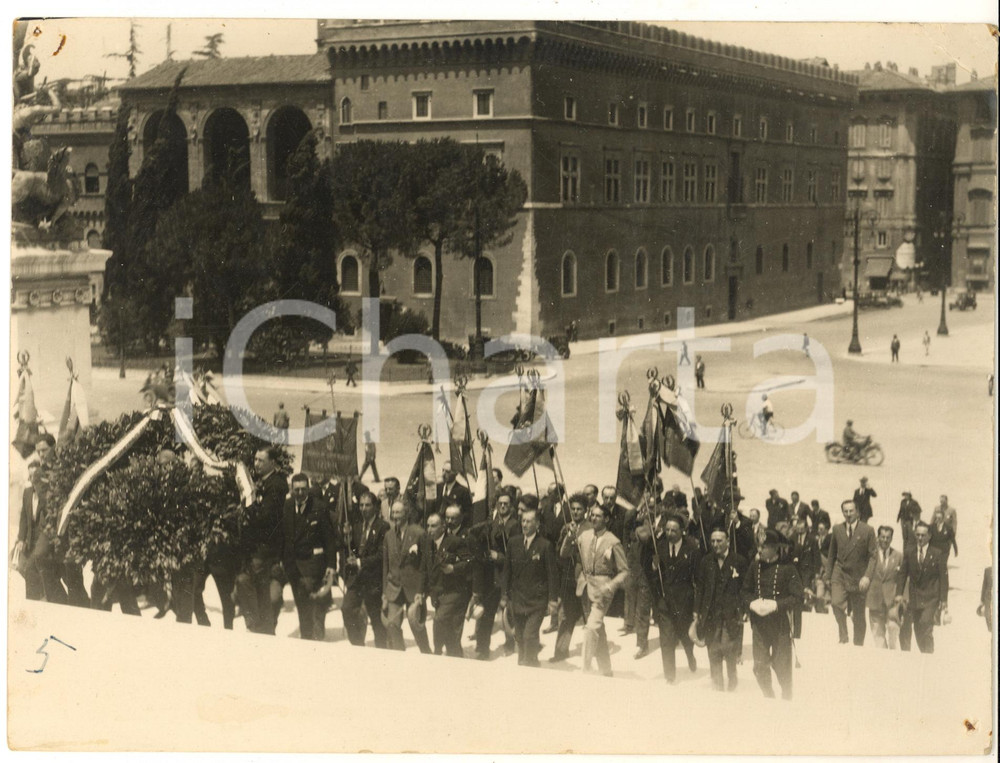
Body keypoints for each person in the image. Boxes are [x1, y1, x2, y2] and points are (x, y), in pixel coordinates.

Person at [637, 509, 701, 683]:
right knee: (666, 639)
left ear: (682, 531)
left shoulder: (692, 548)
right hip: (664, 601)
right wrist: (653, 565)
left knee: (685, 637)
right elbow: (647, 571)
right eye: (667, 530)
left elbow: (698, 578)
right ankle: (670, 676)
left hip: (684, 602)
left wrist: (696, 605)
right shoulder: (659, 546)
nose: (670, 534)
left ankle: (690, 656)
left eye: (674, 530)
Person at [567, 502, 629, 676]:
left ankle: (585, 669)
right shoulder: (584, 536)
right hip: (584, 586)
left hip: (602, 591)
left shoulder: (613, 541)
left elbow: (624, 571)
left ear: (607, 519)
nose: (593, 518)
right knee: (598, 630)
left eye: (598, 516)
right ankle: (606, 670)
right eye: (592, 515)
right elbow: (565, 553)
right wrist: (569, 536)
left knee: (591, 628)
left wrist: (610, 585)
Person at [276, 474, 338, 640]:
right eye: (297, 489)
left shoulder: (319, 507)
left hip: (312, 565)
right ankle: (307, 635)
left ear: (308, 488)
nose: (300, 492)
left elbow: (329, 540)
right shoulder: (287, 506)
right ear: (292, 490)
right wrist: (281, 560)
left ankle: (314, 637)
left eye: (304, 489)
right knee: (301, 605)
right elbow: (283, 536)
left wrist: (331, 565)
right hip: (293, 566)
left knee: (312, 603)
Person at [742, 529, 802, 700]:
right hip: (759, 625)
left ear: (775, 548)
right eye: (758, 546)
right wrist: (752, 603)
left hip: (780, 624)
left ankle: (787, 697)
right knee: (759, 666)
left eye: (764, 547)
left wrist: (776, 605)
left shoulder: (787, 568)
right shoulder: (755, 566)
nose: (759, 550)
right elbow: (744, 591)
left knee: (782, 666)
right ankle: (768, 696)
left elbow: (798, 597)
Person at [236, 447, 288, 635]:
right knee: (247, 585)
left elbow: (266, 518)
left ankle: (262, 628)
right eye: (255, 460)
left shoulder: (277, 485)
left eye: (261, 460)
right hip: (258, 550)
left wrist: (249, 511)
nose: (256, 464)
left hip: (267, 550)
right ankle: (258, 626)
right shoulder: (264, 482)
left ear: (272, 463)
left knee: (264, 595)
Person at [500, 508, 559, 667]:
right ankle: (526, 663)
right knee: (519, 636)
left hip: (536, 601)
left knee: (529, 635)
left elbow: (552, 575)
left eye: (529, 521)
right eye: (523, 521)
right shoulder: (514, 543)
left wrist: (552, 600)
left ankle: (529, 666)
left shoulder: (545, 546)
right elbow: (507, 571)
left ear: (537, 524)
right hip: (517, 599)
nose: (525, 524)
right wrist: (504, 596)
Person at [694, 529, 748, 692]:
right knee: (713, 651)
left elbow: (745, 588)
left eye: (719, 540)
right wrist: (697, 610)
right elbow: (700, 587)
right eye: (713, 541)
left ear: (728, 542)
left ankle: (732, 681)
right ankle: (717, 685)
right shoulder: (706, 561)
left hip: (731, 615)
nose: (715, 544)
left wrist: (744, 609)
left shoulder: (739, 561)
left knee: (729, 649)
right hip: (711, 614)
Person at [469, 490, 519, 659]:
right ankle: (483, 648)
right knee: (487, 614)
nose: (503, 506)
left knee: (507, 614)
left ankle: (511, 643)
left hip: (508, 577)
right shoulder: (492, 523)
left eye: (506, 503)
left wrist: (500, 557)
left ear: (511, 506)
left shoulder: (515, 525)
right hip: (491, 576)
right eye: (500, 503)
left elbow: (517, 554)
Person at [381, 501, 432, 653]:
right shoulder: (388, 536)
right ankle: (399, 656)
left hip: (414, 589)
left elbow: (425, 565)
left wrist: (422, 591)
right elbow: (385, 565)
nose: (395, 516)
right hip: (394, 587)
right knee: (392, 625)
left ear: (407, 514)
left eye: (399, 512)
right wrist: (385, 591)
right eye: (393, 513)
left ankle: (427, 654)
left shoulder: (419, 533)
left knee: (417, 626)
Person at [824, 500, 876, 645]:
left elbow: (873, 556)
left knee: (859, 616)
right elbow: (831, 554)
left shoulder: (867, 530)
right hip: (840, 573)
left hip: (858, 577)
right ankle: (843, 636)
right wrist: (828, 576)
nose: (848, 514)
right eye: (845, 511)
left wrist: (867, 576)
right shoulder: (837, 529)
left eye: (851, 511)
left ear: (857, 512)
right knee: (835, 603)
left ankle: (858, 644)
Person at [341, 489, 389, 648]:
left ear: (375, 507)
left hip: (374, 581)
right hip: (356, 580)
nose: (363, 509)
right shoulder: (356, 525)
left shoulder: (383, 527)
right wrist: (346, 539)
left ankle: (381, 653)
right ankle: (357, 645)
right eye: (361, 505)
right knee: (347, 609)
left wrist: (360, 562)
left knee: (377, 622)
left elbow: (382, 555)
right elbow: (352, 551)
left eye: (367, 505)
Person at [895, 522, 948, 653]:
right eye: (917, 535)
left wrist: (943, 600)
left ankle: (929, 655)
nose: (920, 538)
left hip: (931, 598)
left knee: (926, 624)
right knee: (918, 629)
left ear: (929, 536)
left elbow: (943, 578)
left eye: (923, 535)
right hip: (915, 598)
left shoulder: (937, 553)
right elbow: (902, 573)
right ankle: (924, 653)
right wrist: (899, 593)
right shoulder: (909, 552)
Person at [552, 493, 592, 662]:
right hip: (569, 579)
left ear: (586, 510)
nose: (576, 512)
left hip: (586, 580)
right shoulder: (566, 527)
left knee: (590, 618)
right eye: (573, 509)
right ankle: (560, 652)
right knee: (565, 616)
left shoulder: (591, 528)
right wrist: (569, 538)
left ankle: (592, 654)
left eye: (579, 509)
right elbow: (560, 554)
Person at [427, 509, 472, 657]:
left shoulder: (455, 542)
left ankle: (437, 652)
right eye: (428, 526)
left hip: (454, 592)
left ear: (443, 527)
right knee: (451, 633)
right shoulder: (428, 543)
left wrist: (453, 568)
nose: (429, 529)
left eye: (433, 526)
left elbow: (470, 562)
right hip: (438, 594)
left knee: (439, 620)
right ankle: (454, 658)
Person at [12, 458, 45, 600]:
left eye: (35, 476)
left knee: (35, 569)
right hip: (30, 539)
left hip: (43, 539)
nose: (32, 479)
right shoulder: (27, 492)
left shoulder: (45, 492)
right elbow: (24, 519)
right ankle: (36, 598)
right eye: (30, 476)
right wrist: (20, 539)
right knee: (24, 567)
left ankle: (40, 598)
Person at [867, 525, 904, 649]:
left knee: (893, 632)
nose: (885, 540)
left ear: (892, 539)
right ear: (878, 537)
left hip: (892, 603)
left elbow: (903, 579)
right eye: (882, 537)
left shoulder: (898, 556)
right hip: (875, 600)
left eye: (888, 537)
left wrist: (902, 599)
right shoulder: (871, 556)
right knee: (879, 640)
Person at [789, 516, 819, 638]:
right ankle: (792, 631)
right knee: (794, 603)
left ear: (806, 528)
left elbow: (816, 557)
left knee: (799, 605)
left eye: (802, 529)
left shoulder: (812, 540)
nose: (799, 531)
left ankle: (797, 633)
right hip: (794, 574)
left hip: (807, 574)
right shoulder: (792, 538)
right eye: (797, 529)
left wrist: (816, 573)